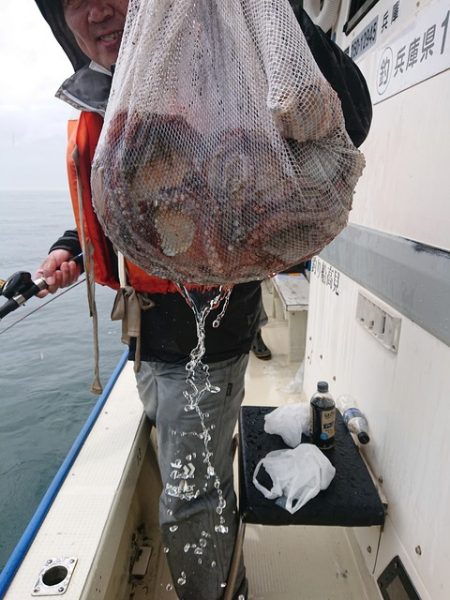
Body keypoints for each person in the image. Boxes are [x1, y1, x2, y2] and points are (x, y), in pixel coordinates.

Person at [33, 1, 372, 598]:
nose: (94, 12)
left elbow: (351, 117)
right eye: (71, 2)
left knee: (192, 498)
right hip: (146, 335)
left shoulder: (212, 75)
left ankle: (215, 589)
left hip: (206, 336)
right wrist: (73, 247)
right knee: (198, 472)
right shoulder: (113, 91)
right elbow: (123, 204)